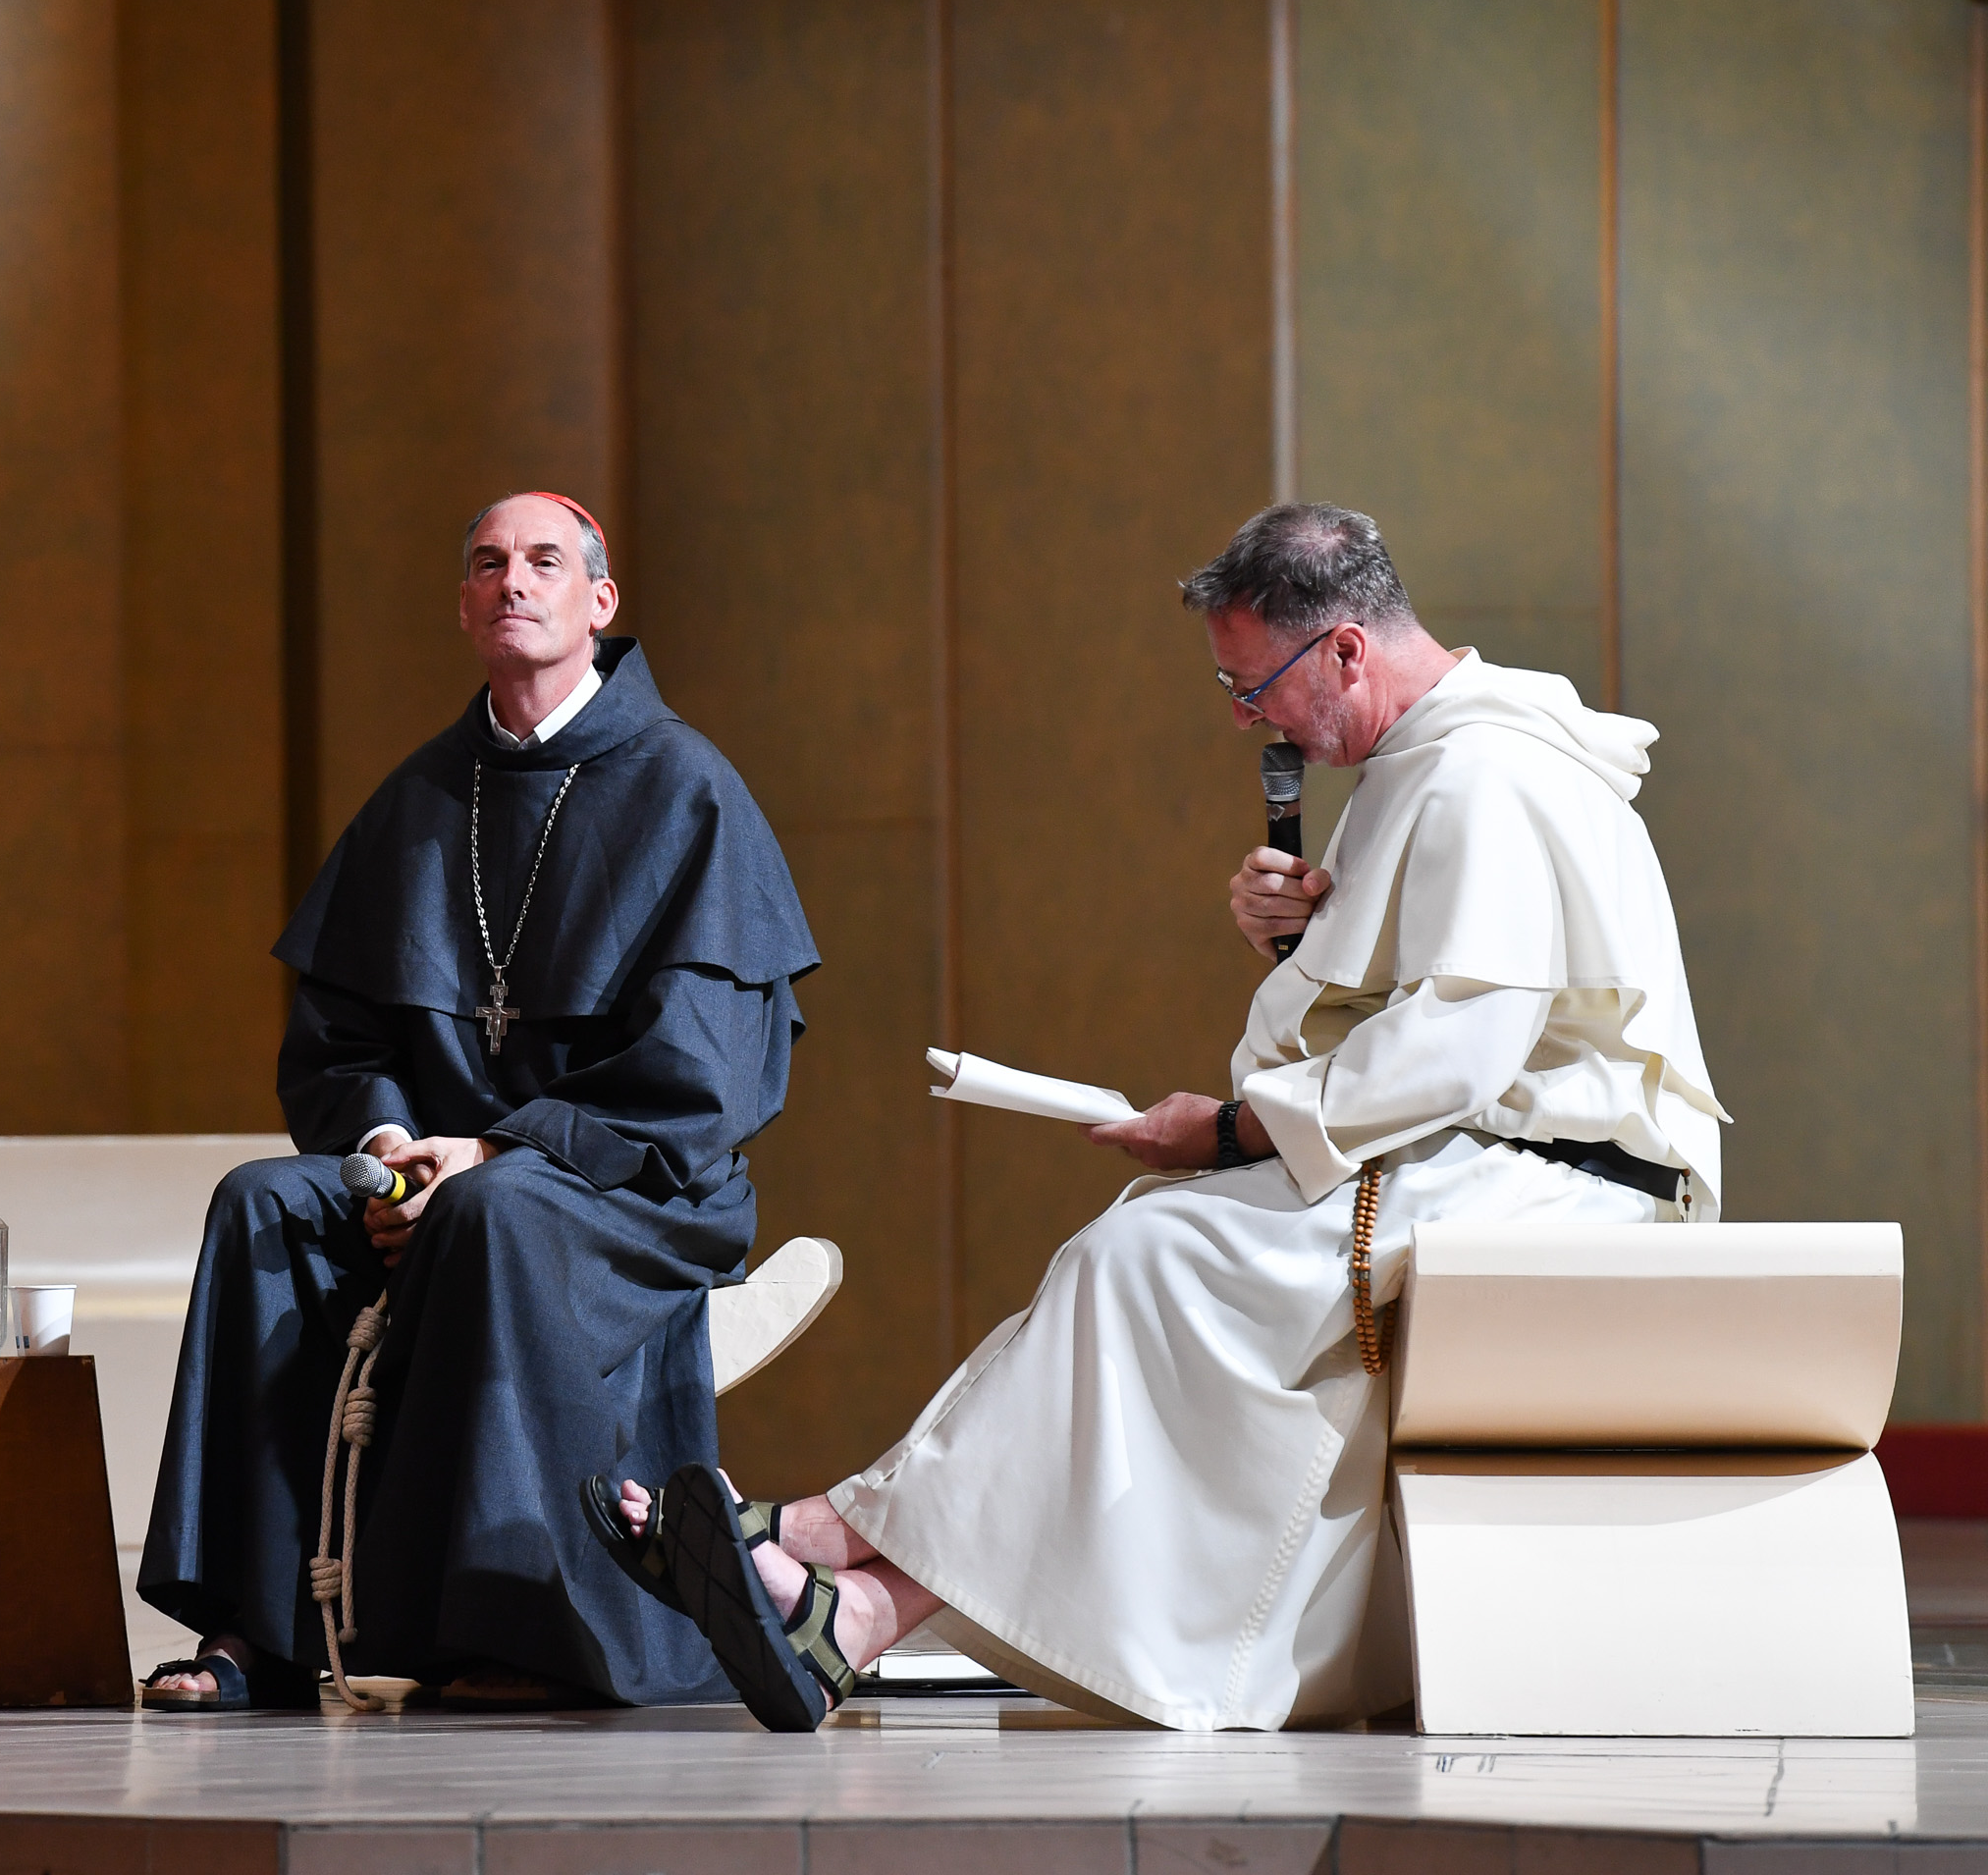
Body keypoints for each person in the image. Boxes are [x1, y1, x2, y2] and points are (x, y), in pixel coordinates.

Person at [598, 502, 1726, 1733]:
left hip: (1554, 1185)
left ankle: (825, 1539)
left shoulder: (1488, 772)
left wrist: (1233, 1132)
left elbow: (1458, 1050)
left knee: (1147, 1259)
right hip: (1462, 1163)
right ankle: (852, 1611)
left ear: (1348, 650)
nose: (1246, 720)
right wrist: (1305, 943)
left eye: (1255, 686)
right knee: (1141, 1259)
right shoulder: (1427, 765)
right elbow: (1408, 1025)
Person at [138, 491, 819, 1712]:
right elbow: (338, 1040)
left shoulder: (689, 789)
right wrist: (393, 1148)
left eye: (545, 561)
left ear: (599, 602)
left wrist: (495, 1153)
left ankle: (528, 1624)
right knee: (261, 1206)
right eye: (490, 563)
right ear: (463, 605)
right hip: (440, 1175)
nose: (515, 580)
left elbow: (706, 1069)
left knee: (491, 1213)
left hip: (632, 1188)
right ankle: (263, 1630)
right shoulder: (418, 800)